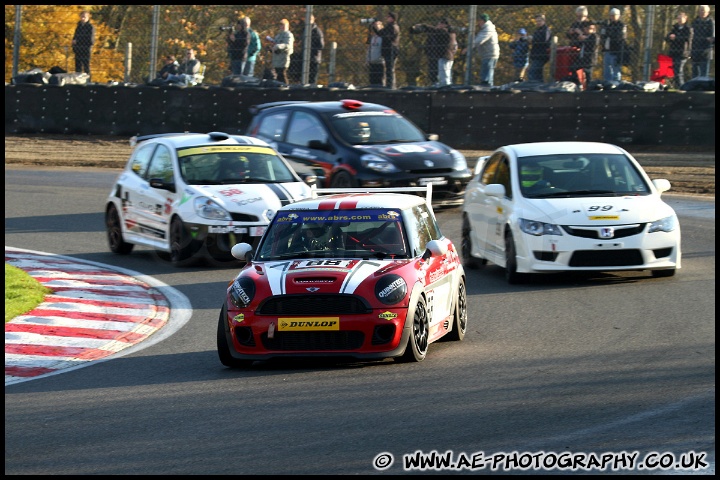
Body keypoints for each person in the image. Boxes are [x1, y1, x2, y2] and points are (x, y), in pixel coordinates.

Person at [410, 17, 458, 86]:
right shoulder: (450, 33)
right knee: (444, 74)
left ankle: (445, 87)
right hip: (444, 56)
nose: (438, 25)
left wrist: (423, 26)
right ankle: (443, 86)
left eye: (440, 23)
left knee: (444, 75)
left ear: (445, 25)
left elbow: (433, 30)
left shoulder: (444, 32)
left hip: (444, 56)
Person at [468, 13, 499, 86]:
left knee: (486, 74)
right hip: (488, 54)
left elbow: (479, 40)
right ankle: (487, 86)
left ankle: (486, 88)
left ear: (483, 21)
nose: (478, 23)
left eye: (479, 21)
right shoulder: (486, 28)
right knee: (487, 72)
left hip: (489, 54)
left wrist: (468, 48)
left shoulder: (488, 29)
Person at [371, 12, 400, 89]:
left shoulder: (393, 27)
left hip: (391, 50)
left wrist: (379, 28)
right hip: (387, 50)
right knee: (388, 68)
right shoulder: (389, 26)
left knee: (390, 69)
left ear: (392, 18)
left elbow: (386, 36)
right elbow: (380, 34)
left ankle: (390, 85)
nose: (387, 18)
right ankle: (389, 85)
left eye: (388, 17)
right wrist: (375, 27)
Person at [665, 12, 693, 89]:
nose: (679, 20)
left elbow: (687, 39)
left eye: (681, 18)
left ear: (685, 18)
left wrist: (676, 37)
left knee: (679, 71)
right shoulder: (675, 28)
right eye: (678, 18)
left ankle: (682, 87)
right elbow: (667, 37)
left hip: (682, 53)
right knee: (674, 71)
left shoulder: (688, 28)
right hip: (673, 52)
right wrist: (670, 37)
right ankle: (678, 87)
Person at [600, 7, 627, 83]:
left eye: (614, 15)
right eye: (611, 15)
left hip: (616, 51)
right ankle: (608, 83)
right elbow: (603, 35)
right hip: (608, 50)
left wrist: (608, 32)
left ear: (618, 16)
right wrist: (604, 28)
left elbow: (619, 36)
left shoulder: (621, 25)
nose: (612, 17)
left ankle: (616, 84)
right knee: (607, 69)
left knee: (616, 69)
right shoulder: (608, 25)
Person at [569, 22, 599, 89]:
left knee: (588, 75)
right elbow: (577, 43)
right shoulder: (585, 36)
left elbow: (591, 44)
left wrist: (582, 36)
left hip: (589, 59)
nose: (588, 30)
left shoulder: (594, 36)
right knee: (573, 67)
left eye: (590, 29)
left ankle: (589, 88)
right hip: (582, 58)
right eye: (587, 28)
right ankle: (578, 83)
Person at [565, 6, 593, 79]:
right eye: (578, 15)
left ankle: (587, 83)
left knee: (586, 70)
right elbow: (567, 35)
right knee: (572, 67)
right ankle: (576, 81)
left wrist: (580, 32)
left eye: (580, 15)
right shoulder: (575, 23)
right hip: (574, 47)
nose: (579, 17)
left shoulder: (588, 23)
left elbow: (592, 36)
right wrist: (570, 32)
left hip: (584, 47)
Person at [690, 5, 715, 78]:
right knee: (694, 72)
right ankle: (694, 88)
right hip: (695, 50)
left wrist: (710, 39)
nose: (702, 12)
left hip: (706, 50)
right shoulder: (695, 22)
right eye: (701, 10)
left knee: (704, 73)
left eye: (704, 11)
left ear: (708, 12)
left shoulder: (711, 22)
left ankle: (703, 88)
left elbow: (712, 37)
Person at [268, 18, 294, 84]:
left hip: (283, 59)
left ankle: (286, 88)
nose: (282, 27)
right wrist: (271, 47)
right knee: (278, 76)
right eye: (281, 25)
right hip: (276, 59)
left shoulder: (288, 35)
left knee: (282, 74)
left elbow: (288, 45)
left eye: (283, 25)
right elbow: (275, 44)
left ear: (287, 26)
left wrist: (278, 46)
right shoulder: (278, 35)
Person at [528, 14, 551, 82]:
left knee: (532, 72)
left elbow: (544, 40)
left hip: (542, 54)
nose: (538, 23)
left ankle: (533, 87)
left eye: (540, 21)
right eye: (537, 21)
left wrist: (533, 39)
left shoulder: (546, 30)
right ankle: (539, 87)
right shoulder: (537, 30)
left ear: (544, 21)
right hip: (536, 54)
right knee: (537, 73)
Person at [72, 10, 95, 77]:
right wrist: (74, 43)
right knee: (77, 66)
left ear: (88, 17)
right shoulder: (78, 26)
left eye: (84, 17)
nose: (82, 18)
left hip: (86, 49)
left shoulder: (90, 27)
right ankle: (78, 81)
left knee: (86, 66)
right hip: (78, 49)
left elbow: (91, 40)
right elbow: (75, 36)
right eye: (81, 17)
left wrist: (78, 41)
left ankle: (88, 81)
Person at [366, 20, 385, 86]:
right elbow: (369, 49)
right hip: (372, 61)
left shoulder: (383, 37)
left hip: (380, 62)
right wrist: (367, 59)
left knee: (380, 80)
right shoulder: (372, 37)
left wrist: (379, 27)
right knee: (372, 80)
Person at [307, 15, 325, 85]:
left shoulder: (317, 31)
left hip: (314, 58)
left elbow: (321, 45)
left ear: (313, 20)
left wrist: (311, 50)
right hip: (306, 58)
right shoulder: (306, 30)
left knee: (312, 79)